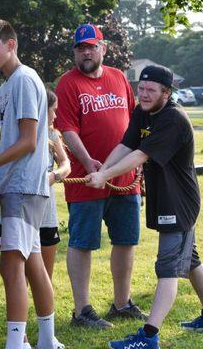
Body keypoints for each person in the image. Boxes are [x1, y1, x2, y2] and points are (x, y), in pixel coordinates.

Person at [86, 65, 203, 349]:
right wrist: (104, 167)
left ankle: (149, 336)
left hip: (179, 202)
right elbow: (127, 145)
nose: (145, 94)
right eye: (141, 89)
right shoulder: (143, 112)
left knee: (167, 268)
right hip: (165, 198)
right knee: (190, 260)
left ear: (167, 92)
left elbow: (141, 154)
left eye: (152, 90)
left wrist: (105, 176)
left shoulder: (173, 119)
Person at [54, 24, 146, 330]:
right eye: (80, 48)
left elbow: (133, 123)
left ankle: (122, 303)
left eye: (91, 47)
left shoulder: (118, 77)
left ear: (102, 48)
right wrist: (87, 161)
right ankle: (82, 311)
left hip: (124, 178)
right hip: (87, 179)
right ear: (75, 52)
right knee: (82, 242)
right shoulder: (68, 83)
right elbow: (67, 128)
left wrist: (136, 163)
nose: (86, 53)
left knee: (125, 240)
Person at [0, 19, 63, 349]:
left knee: (10, 264)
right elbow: (13, 138)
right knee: (32, 262)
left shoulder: (25, 80)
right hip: (18, 185)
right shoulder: (7, 86)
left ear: (11, 44)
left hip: (24, 185)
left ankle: (16, 344)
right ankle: (47, 340)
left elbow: (29, 141)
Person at [40, 88, 71, 279]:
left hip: (46, 213)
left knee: (44, 275)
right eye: (53, 110)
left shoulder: (52, 135)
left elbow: (65, 164)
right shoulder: (14, 132)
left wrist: (54, 176)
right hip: (19, 214)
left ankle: (44, 310)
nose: (55, 115)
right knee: (18, 274)